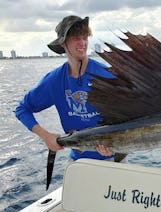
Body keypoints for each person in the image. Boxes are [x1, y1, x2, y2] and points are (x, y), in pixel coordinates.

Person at [15, 15, 114, 161]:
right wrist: (46, 136)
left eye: (84, 37)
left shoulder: (107, 75)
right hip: (77, 161)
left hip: (113, 159)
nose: (82, 43)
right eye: (75, 38)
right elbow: (22, 109)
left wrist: (114, 146)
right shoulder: (55, 80)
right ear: (63, 43)